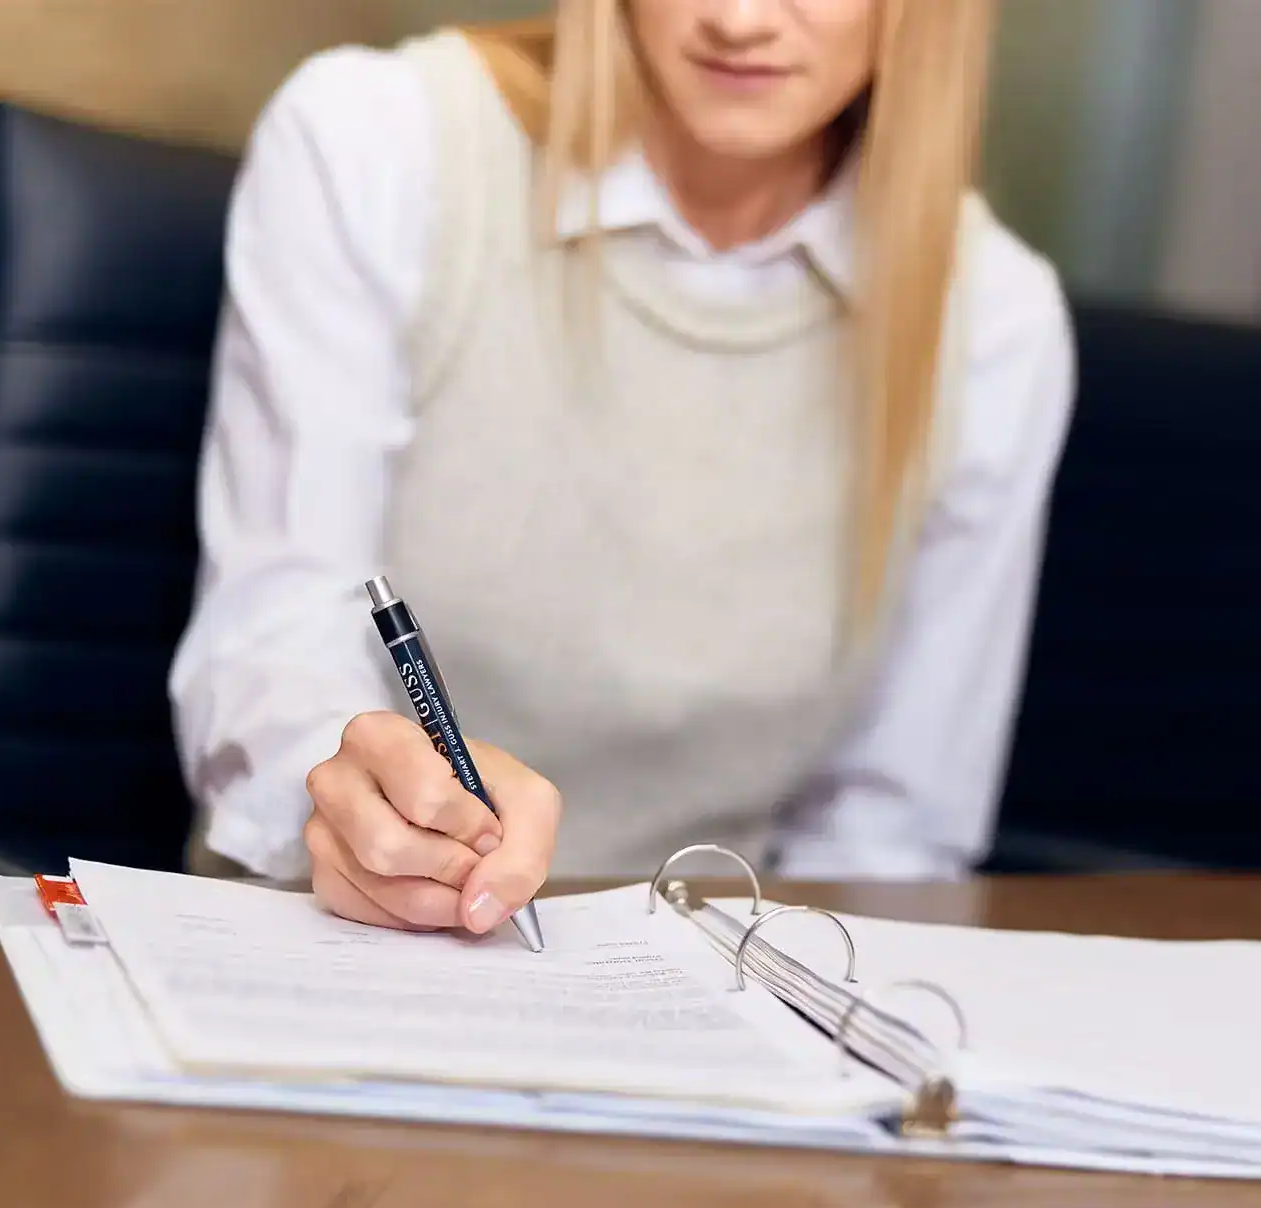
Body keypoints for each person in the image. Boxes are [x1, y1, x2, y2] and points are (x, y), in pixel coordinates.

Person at [169, 0, 1075, 938]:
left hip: (707, 982)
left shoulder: (993, 321)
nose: (741, 19)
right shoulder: (380, 140)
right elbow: (272, 634)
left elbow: (888, 837)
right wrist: (348, 803)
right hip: (337, 939)